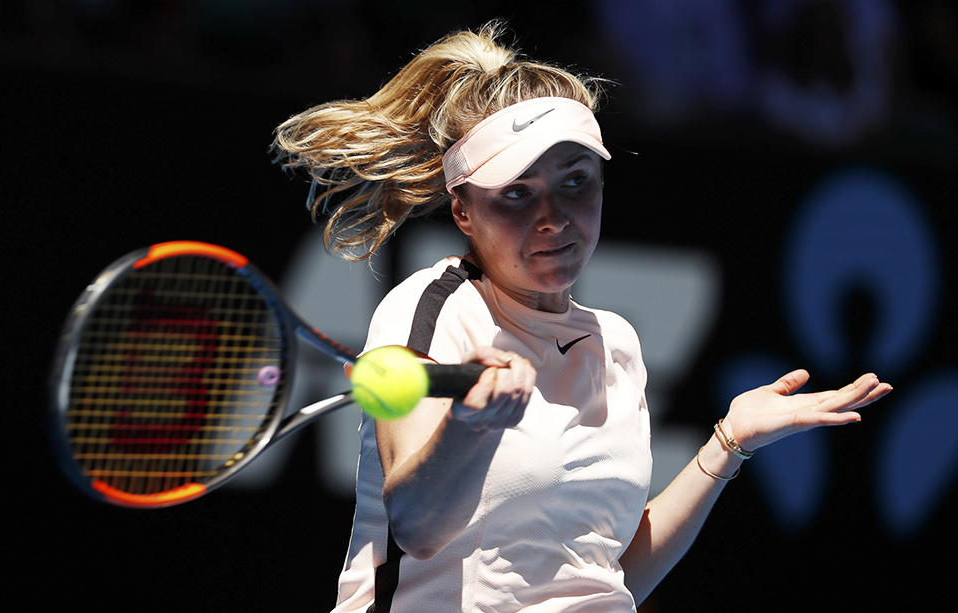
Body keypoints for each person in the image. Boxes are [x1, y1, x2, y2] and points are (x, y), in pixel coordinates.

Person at [272, 23, 891, 613]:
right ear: (462, 211)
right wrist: (469, 426)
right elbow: (417, 527)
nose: (554, 216)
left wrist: (728, 445)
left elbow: (606, 574)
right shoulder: (433, 309)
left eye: (575, 181)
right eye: (517, 192)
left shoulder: (615, 343)